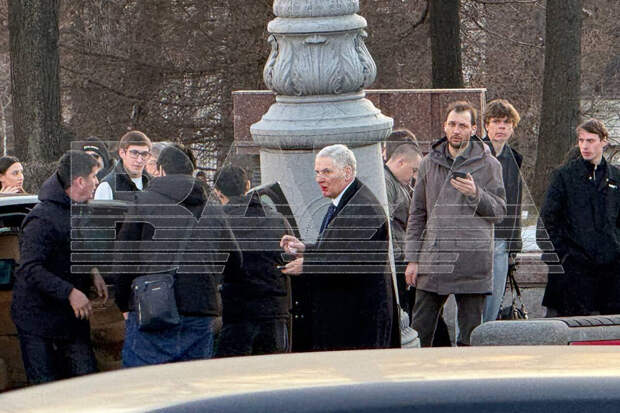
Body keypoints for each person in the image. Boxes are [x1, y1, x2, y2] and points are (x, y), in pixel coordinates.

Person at [114, 144, 242, 367]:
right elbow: (235, 262)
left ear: (160, 170)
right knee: (192, 382)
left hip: (152, 308)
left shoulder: (142, 204)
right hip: (200, 310)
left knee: (144, 382)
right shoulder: (213, 210)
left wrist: (124, 302)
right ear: (192, 171)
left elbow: (124, 260)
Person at [404, 101, 506, 347]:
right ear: (444, 126)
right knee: (419, 332)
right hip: (434, 261)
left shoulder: (489, 164)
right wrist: (412, 258)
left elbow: (499, 211)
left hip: (472, 262)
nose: (456, 130)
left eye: (462, 125)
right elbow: (417, 214)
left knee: (470, 338)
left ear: (474, 129)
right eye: (452, 124)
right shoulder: (429, 162)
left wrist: (475, 194)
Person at [280, 144, 399, 351]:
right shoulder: (348, 199)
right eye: (317, 172)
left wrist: (308, 265)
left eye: (326, 172)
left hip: (360, 323)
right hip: (349, 318)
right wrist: (305, 249)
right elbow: (339, 248)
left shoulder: (363, 208)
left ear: (347, 172)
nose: (319, 179)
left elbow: (351, 261)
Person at [11, 150, 107, 384]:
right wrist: (70, 292)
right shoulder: (42, 219)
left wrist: (92, 271)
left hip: (71, 320)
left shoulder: (77, 210)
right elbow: (30, 268)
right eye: (94, 176)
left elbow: (73, 247)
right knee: (46, 390)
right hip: (38, 320)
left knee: (87, 384)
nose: (97, 182)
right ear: (80, 181)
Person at [539, 119, 620, 317]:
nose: (584, 146)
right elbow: (548, 221)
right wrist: (564, 255)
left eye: (590, 140)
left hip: (610, 271)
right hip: (573, 271)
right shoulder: (564, 176)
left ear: (604, 141)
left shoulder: (616, 177)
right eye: (581, 140)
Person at [213, 166, 293, 357]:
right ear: (248, 185)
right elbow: (291, 259)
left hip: (235, 313)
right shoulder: (277, 219)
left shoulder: (217, 222)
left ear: (217, 192)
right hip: (274, 311)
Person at [481, 99, 524, 322]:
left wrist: (514, 244)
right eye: (496, 121)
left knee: (494, 300)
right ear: (486, 125)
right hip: (476, 236)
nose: (501, 127)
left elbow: (515, 203)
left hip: (501, 239)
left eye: (507, 123)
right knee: (470, 303)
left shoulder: (514, 158)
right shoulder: (473, 153)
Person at [383, 130, 421, 315]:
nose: (413, 175)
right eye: (413, 170)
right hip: (398, 262)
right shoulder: (387, 183)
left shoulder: (398, 183)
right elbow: (386, 226)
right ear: (401, 162)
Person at [94, 130, 152, 200]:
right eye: (134, 153)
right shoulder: (107, 186)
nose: (139, 160)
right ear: (122, 153)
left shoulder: (154, 184)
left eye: (144, 154)